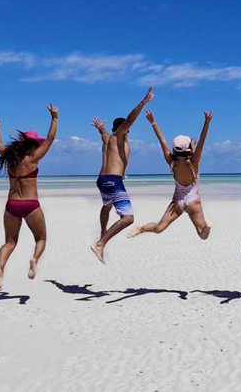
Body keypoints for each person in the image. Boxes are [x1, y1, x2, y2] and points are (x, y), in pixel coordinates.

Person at [0, 104, 58, 289]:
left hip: (12, 205)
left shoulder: (9, 158)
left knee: (9, 242)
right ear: (32, 144)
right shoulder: (32, 159)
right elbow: (50, 138)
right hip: (30, 204)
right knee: (41, 238)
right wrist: (54, 118)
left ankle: (0, 269)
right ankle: (34, 260)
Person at [90, 87, 153, 263]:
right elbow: (131, 118)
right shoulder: (119, 136)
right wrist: (143, 102)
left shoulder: (108, 138)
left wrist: (100, 128)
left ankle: (103, 232)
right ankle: (100, 244)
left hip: (102, 180)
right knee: (128, 218)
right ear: (125, 129)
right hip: (113, 180)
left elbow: (103, 133)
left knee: (107, 206)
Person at [128, 110, 213, 240]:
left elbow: (162, 140)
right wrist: (206, 123)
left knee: (159, 228)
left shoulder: (171, 161)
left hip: (177, 202)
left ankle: (142, 228)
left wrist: (153, 122)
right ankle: (207, 227)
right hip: (193, 201)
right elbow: (202, 141)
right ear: (190, 148)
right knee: (203, 235)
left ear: (174, 148)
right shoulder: (194, 162)